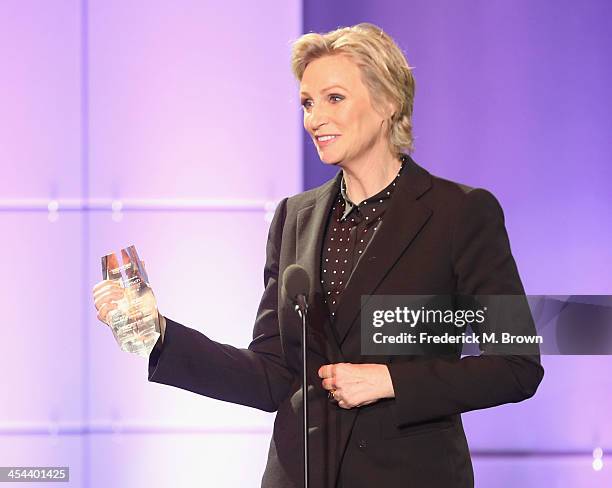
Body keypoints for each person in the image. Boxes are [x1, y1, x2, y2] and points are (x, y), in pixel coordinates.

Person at [93, 22, 544, 488]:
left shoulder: (459, 214)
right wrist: (159, 332)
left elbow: (515, 366)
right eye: (307, 103)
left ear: (388, 102)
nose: (314, 118)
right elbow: (271, 374)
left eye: (334, 98)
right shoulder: (294, 217)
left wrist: (390, 381)